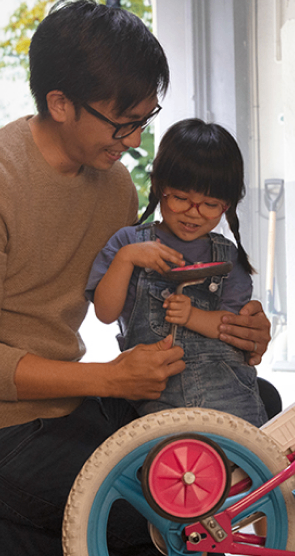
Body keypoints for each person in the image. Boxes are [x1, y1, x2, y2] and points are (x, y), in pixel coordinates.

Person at [0, 0, 272, 556]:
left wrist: (237, 329)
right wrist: (110, 379)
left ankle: (45, 517)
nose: (137, 140)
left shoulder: (112, 182)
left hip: (77, 402)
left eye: (146, 119)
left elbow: (147, 302)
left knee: (245, 418)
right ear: (60, 104)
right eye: (123, 123)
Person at [86, 118, 267, 428]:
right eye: (181, 198)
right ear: (159, 187)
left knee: (254, 465)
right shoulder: (128, 243)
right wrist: (127, 259)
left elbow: (233, 330)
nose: (193, 212)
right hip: (156, 400)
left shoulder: (227, 258)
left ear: (227, 206)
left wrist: (192, 316)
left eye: (210, 204)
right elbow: (105, 312)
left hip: (230, 395)